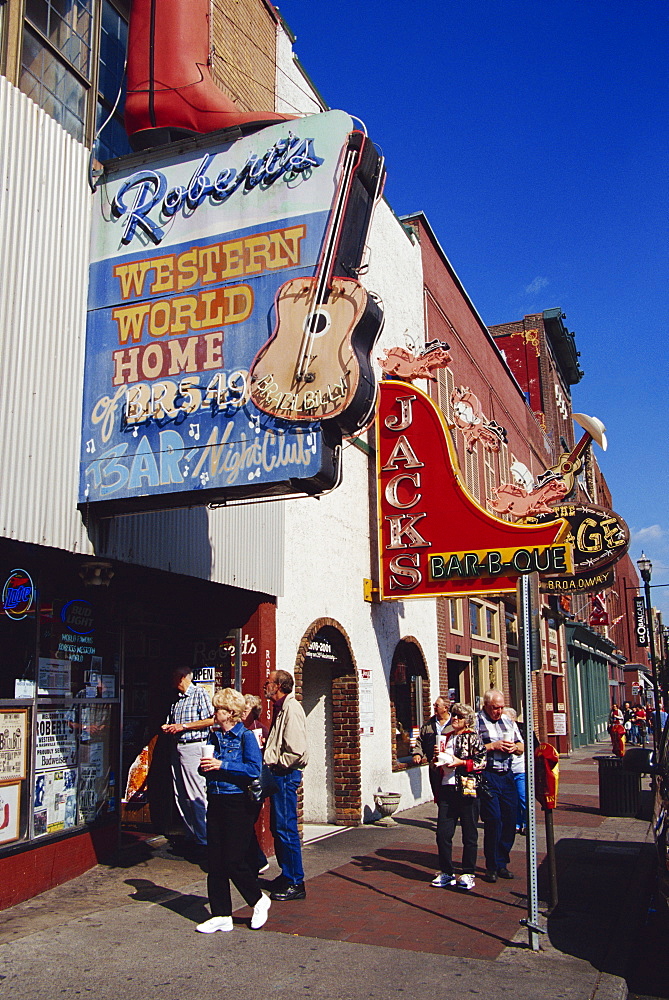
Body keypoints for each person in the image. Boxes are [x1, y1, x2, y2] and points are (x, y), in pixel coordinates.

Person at [196, 688, 271, 933]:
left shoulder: (245, 737)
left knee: (233, 859)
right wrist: (205, 767)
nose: (214, 712)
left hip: (237, 801)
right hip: (215, 799)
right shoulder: (214, 737)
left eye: (218, 709)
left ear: (230, 713)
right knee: (215, 860)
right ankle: (221, 914)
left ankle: (258, 900)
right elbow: (206, 768)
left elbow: (252, 769)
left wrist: (222, 764)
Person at [263, 670, 309, 901]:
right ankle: (287, 873)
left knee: (286, 827)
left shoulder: (291, 708)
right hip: (279, 774)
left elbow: (296, 749)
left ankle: (295, 881)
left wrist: (278, 764)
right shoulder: (281, 708)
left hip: (285, 774)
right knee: (278, 827)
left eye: (269, 682)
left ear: (280, 685)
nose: (265, 684)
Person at [430, 703, 486, 891]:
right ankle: (447, 872)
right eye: (454, 715)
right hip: (447, 789)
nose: (455, 719)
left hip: (467, 790)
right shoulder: (445, 738)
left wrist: (461, 762)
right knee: (443, 834)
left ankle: (468, 872)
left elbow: (481, 762)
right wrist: (435, 760)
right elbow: (437, 762)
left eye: (459, 717)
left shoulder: (473, 738)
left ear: (467, 720)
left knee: (469, 833)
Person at [161, 667, 214, 850]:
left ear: (182, 677)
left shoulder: (199, 693)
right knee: (180, 793)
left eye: (174, 676)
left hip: (193, 746)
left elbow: (211, 720)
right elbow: (174, 722)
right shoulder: (177, 699)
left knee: (195, 793)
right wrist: (169, 727)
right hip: (178, 746)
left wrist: (184, 726)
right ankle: (191, 834)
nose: (171, 680)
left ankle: (204, 838)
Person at [477, 689, 524, 882]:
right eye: (495, 708)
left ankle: (502, 861)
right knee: (493, 819)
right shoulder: (476, 721)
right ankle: (492, 866)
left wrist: (515, 748)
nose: (499, 711)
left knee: (509, 818)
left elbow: (522, 746)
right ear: (486, 706)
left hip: (507, 775)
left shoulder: (508, 721)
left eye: (501, 707)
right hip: (488, 775)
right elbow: (470, 747)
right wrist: (492, 747)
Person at [242, 693, 270, 875]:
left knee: (245, 823)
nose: (243, 713)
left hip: (255, 784)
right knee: (243, 823)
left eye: (246, 709)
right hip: (242, 782)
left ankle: (258, 860)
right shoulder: (238, 729)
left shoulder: (260, 729)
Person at [412, 696, 453, 799]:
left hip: (451, 766)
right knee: (438, 794)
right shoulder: (429, 724)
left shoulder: (454, 724)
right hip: (434, 766)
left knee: (451, 796)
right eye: (434, 705)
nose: (434, 707)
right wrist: (417, 753)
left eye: (437, 705)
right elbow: (420, 740)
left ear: (445, 708)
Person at [503, 707, 527, 835]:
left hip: (520, 769)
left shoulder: (519, 728)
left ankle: (527, 822)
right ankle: (516, 823)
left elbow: (527, 746)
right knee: (513, 800)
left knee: (523, 797)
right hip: (507, 770)